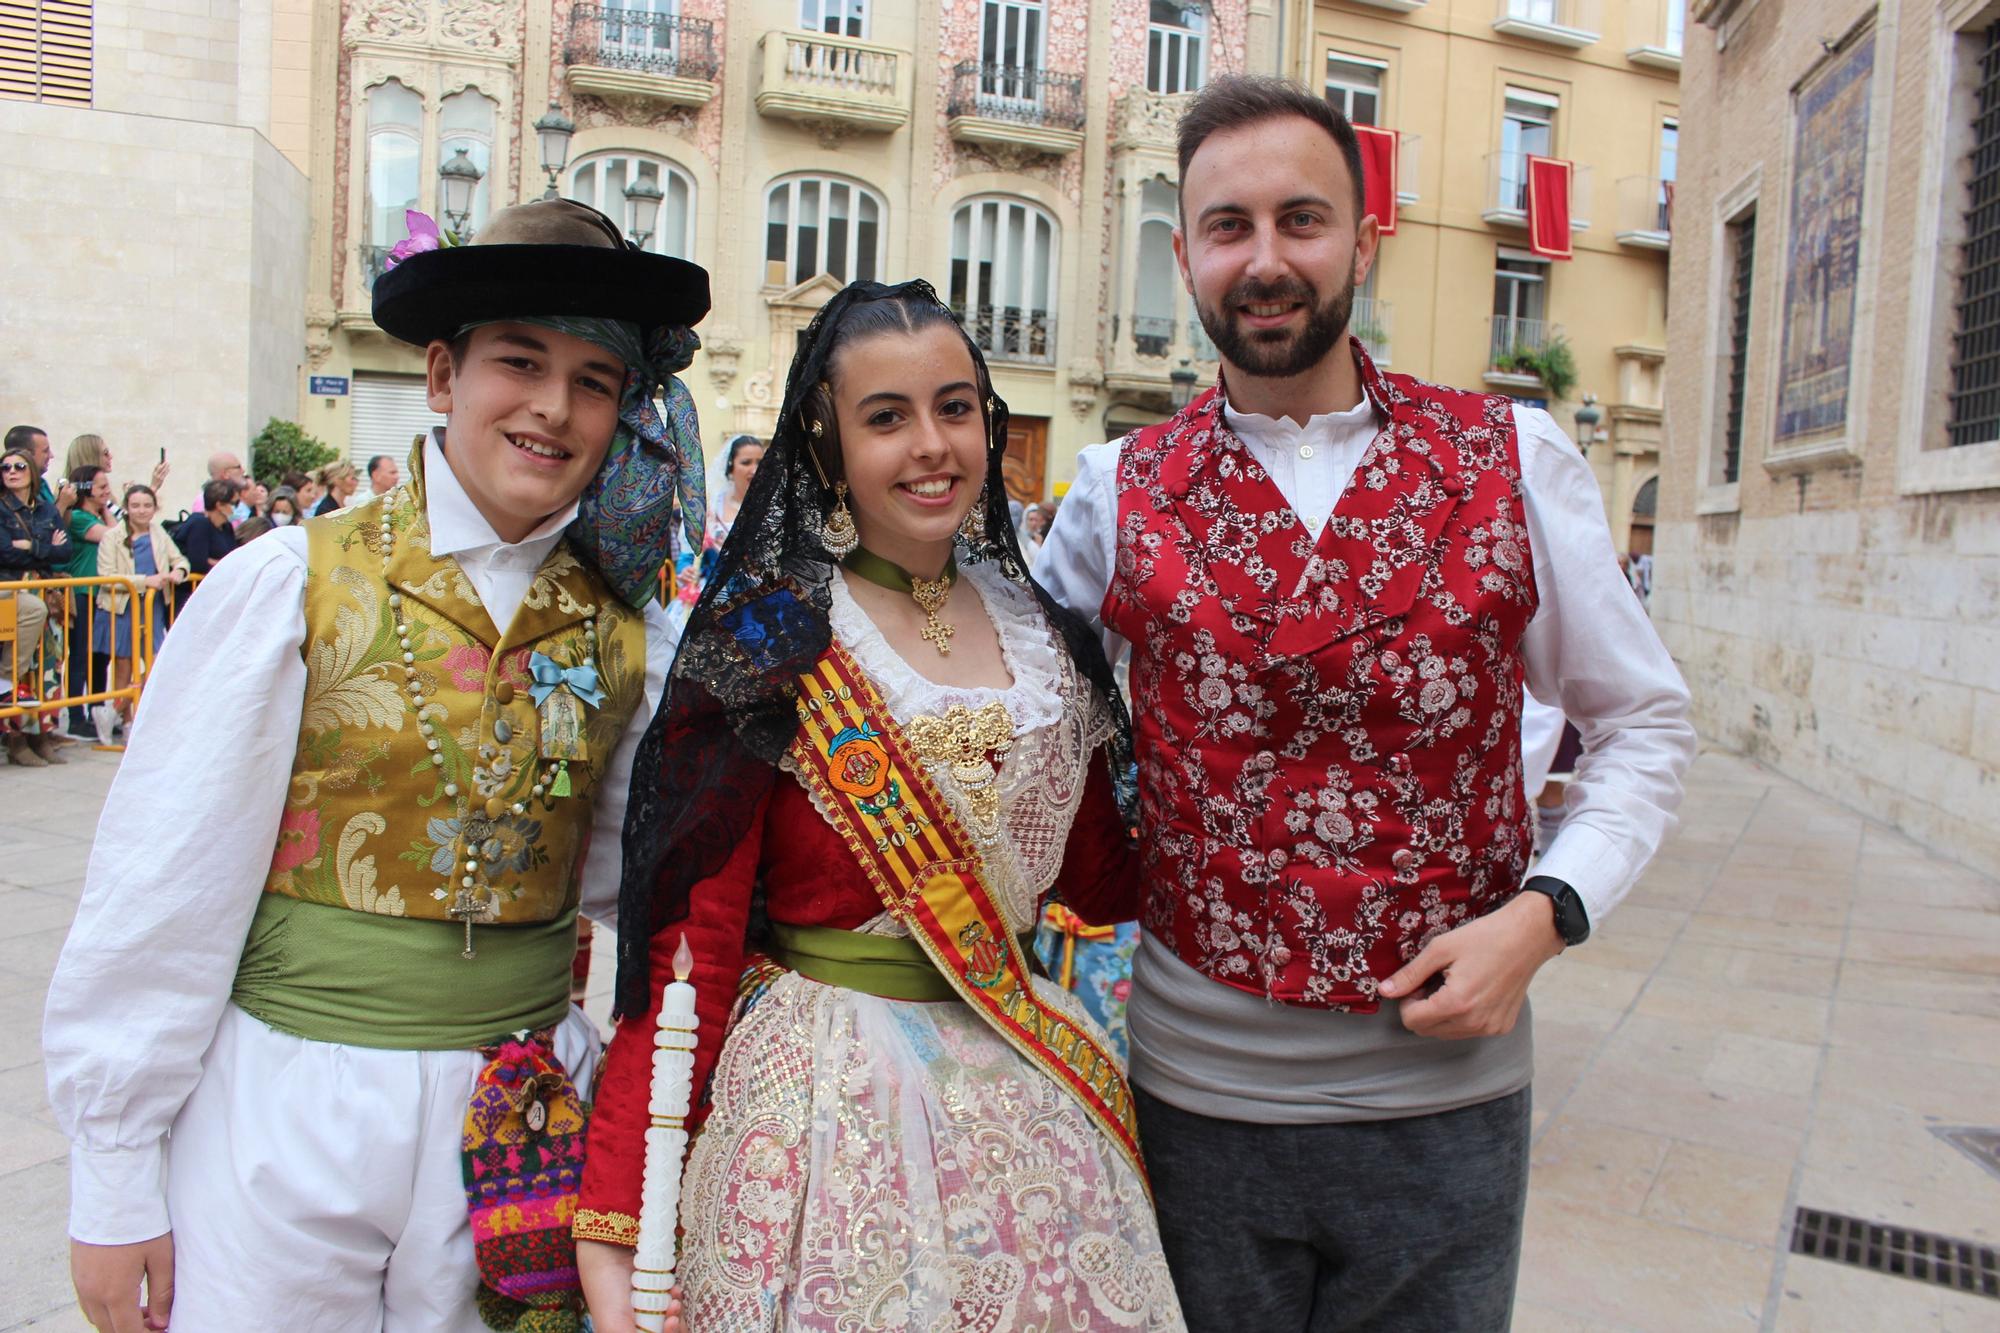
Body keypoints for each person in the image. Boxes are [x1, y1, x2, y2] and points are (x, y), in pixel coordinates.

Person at [1035, 77, 1695, 1331]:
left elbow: (1641, 722)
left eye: (1302, 219)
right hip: (1195, 1095)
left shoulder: (1511, 459)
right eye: (1228, 227)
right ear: (1184, 255)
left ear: (1362, 236)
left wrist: (1548, 913)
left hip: (1444, 1101)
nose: (1265, 258)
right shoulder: (1115, 490)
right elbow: (1008, 705)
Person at [44, 197, 711, 1332]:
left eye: (594, 379)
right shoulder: (287, 584)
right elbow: (164, 883)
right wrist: (113, 1176)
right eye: (520, 360)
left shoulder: (626, 635)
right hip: (288, 1108)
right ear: (443, 377)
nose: (552, 406)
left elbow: (636, 885)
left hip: (521, 1117)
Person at [576, 280, 1182, 1332]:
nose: (930, 446)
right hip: (823, 1110)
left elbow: (1098, 879)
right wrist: (619, 1212)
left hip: (1024, 1100)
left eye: (953, 408)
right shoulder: (770, 641)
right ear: (826, 443)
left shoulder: (1044, 638)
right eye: (886, 417)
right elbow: (691, 946)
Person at [94, 484, 188, 727]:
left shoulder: (159, 534)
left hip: (152, 607)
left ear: (155, 508)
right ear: (126, 507)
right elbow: (106, 576)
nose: (141, 511)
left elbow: (179, 558)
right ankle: (124, 721)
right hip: (123, 607)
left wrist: (179, 571)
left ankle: (113, 713)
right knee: (123, 666)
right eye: (135, 505)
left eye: (147, 505)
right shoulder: (112, 537)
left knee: (156, 664)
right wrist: (145, 581)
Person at [0, 444, 71, 765]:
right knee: (17, 671)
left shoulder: (45, 509)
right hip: (14, 590)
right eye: (5, 468)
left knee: (47, 671)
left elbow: (64, 553)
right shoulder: (1, 508)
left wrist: (30, 544)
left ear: (31, 471)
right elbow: (4, 553)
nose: (12, 472)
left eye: (18, 467)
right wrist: (44, 547)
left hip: (45, 592)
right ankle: (16, 741)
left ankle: (41, 735)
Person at [60, 467, 114, 736]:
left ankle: (98, 712)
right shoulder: (80, 517)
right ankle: (76, 716)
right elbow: (113, 537)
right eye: (101, 487)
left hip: (101, 593)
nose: (107, 491)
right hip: (82, 591)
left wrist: (104, 508)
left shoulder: (97, 514)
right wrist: (105, 510)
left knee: (99, 656)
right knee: (80, 655)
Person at [174, 479, 239, 575]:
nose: (237, 507)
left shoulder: (227, 527)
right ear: (219, 505)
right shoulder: (199, 523)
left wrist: (214, 562)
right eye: (234, 503)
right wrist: (222, 564)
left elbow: (233, 558)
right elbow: (198, 563)